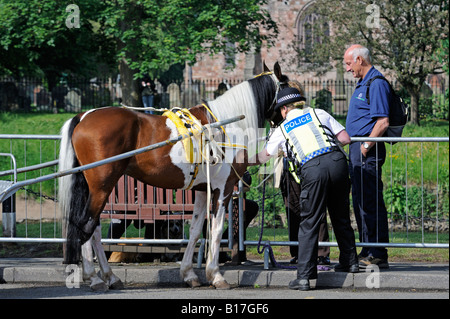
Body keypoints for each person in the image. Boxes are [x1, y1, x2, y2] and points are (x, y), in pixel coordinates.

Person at [251, 87, 358, 291]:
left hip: (313, 169)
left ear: (284, 110)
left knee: (309, 222)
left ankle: (304, 277)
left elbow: (264, 156)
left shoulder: (282, 128)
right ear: (301, 103)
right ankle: (350, 262)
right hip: (337, 163)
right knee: (341, 216)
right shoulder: (319, 113)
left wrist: (243, 161)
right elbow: (345, 139)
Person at [344, 44, 390, 269]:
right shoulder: (364, 83)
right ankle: (367, 248)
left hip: (367, 152)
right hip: (359, 150)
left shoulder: (376, 83)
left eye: (348, 63)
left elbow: (382, 121)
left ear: (360, 59)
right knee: (361, 202)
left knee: (370, 201)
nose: (347, 68)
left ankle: (378, 252)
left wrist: (365, 146)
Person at [279, 80, 330, 266]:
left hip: (310, 167)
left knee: (317, 210)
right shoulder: (279, 119)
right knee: (293, 209)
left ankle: (322, 252)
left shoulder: (309, 114)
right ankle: (298, 251)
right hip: (290, 169)